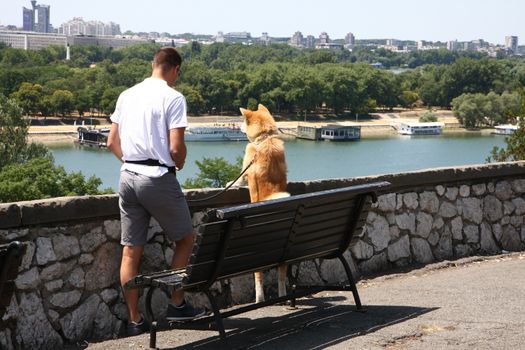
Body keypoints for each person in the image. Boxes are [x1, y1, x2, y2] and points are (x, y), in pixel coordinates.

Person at [107, 47, 205, 336]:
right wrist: (180, 161)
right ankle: (176, 305)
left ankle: (135, 321)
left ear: (154, 65)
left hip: (127, 177)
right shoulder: (173, 98)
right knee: (186, 240)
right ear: (175, 70)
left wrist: (133, 163)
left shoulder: (127, 95)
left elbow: (112, 141)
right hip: (157, 178)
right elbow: (176, 148)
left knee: (130, 253)